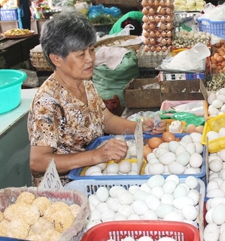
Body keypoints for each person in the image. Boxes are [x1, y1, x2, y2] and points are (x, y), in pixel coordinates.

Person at [28, 12, 165, 186]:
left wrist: (140, 127)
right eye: (80, 54)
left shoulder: (85, 84)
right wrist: (96, 156)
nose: (90, 59)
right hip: (66, 187)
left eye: (91, 50)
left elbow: (106, 119)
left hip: (93, 174)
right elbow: (37, 163)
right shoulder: (48, 102)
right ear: (57, 59)